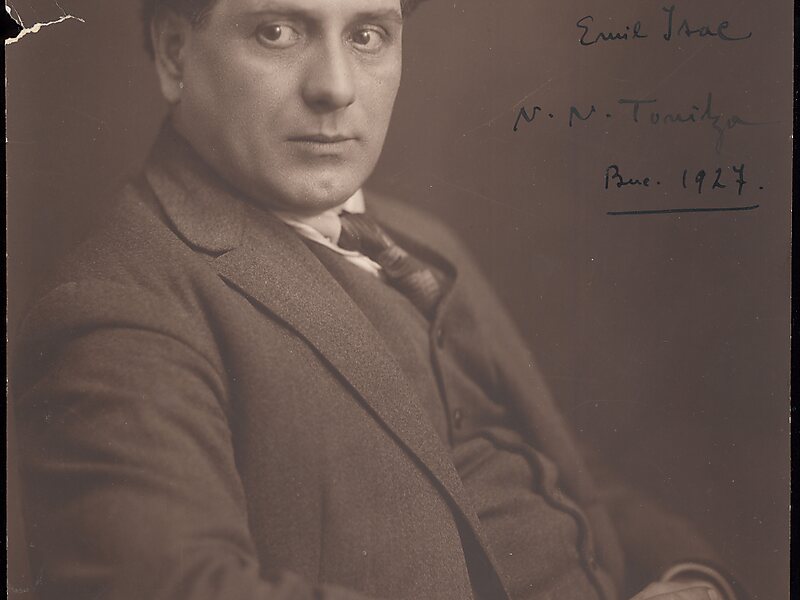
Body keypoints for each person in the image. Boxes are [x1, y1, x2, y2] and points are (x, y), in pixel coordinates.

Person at [12, 0, 745, 599]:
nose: (335, 87)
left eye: (367, 34)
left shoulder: (420, 241)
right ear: (175, 54)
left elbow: (551, 467)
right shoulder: (120, 307)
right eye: (278, 31)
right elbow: (172, 589)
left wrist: (691, 576)